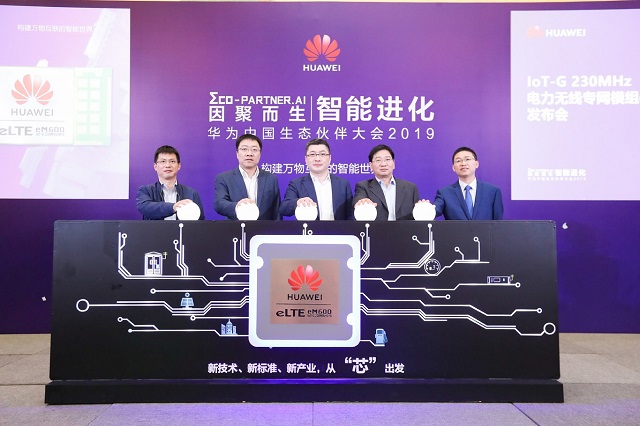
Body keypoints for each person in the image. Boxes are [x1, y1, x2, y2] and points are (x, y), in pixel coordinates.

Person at [280, 139, 354, 220]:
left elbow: (350, 215)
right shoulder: (296, 184)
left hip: (338, 228)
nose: (317, 159)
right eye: (312, 154)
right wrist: (297, 202)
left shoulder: (343, 184)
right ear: (306, 159)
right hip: (309, 228)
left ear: (329, 158)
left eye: (322, 154)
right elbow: (284, 208)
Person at [214, 134, 281, 220]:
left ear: (260, 154)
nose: (249, 154)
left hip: (263, 228)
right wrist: (237, 206)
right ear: (237, 153)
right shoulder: (224, 178)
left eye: (254, 150)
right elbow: (219, 204)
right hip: (235, 227)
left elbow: (276, 212)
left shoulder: (271, 179)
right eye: (244, 149)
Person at [353, 144, 422, 220]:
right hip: (376, 228)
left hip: (404, 228)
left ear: (393, 163)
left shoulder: (410, 188)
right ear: (371, 165)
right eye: (378, 160)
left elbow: (417, 216)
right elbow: (359, 200)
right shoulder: (363, 186)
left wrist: (424, 207)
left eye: (387, 159)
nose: (383, 164)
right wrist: (362, 202)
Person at [433, 146, 503, 220]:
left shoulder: (492, 191)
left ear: (476, 164)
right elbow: (434, 211)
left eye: (467, 159)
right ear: (453, 167)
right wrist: (425, 208)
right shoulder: (444, 193)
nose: (463, 163)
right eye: (458, 161)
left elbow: (498, 222)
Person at [136, 145, 205, 220]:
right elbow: (146, 208)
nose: (168, 165)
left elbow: (200, 222)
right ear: (155, 166)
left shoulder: (191, 193)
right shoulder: (146, 190)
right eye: (163, 161)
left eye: (172, 161)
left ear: (179, 166)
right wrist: (173, 207)